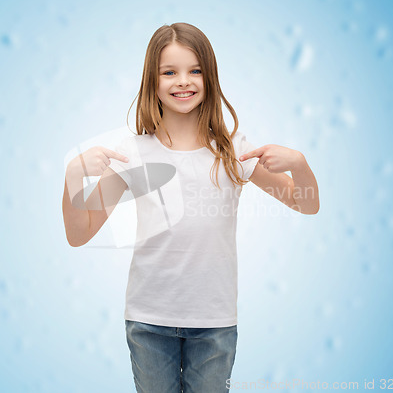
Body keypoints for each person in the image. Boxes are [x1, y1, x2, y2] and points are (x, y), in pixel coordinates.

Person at [62, 22, 319, 393]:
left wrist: (300, 164)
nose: (183, 81)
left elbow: (305, 204)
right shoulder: (132, 153)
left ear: (209, 76)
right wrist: (72, 176)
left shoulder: (233, 150)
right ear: (152, 80)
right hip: (148, 320)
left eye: (195, 70)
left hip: (214, 320)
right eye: (170, 72)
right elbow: (79, 233)